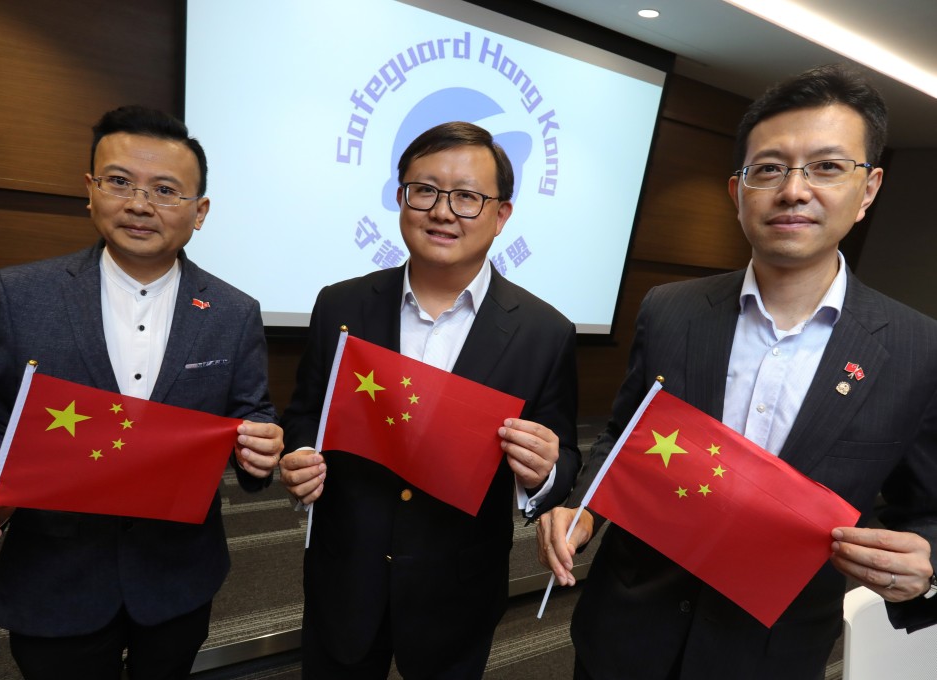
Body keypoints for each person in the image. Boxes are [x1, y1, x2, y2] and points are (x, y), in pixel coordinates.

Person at [538, 63, 937, 680]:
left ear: (869, 190)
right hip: (624, 633)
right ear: (738, 191)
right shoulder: (669, 310)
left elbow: (929, 511)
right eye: (770, 168)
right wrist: (585, 507)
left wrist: (928, 564)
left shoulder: (917, 350)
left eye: (828, 167)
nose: (794, 190)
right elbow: (623, 437)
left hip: (770, 654)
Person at [0, 105, 284, 680]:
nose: (140, 204)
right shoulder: (20, 295)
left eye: (166, 190)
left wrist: (260, 449)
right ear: (90, 191)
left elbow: (252, 417)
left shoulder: (233, 312)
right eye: (120, 182)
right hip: (55, 572)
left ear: (199, 213)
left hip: (178, 575)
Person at [279, 121, 581, 679]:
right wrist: (296, 458)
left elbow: (565, 462)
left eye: (467, 197)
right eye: (426, 190)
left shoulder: (546, 332)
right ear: (401, 198)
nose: (443, 212)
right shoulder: (341, 305)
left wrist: (543, 473)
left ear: (501, 215)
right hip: (345, 573)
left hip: (458, 586)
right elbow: (304, 415)